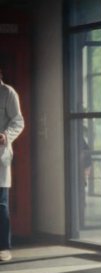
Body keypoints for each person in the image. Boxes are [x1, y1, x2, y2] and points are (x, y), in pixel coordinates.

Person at [0, 67, 25, 262]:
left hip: (0, 153)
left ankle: (3, 246)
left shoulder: (8, 93)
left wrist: (6, 135)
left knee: (1, 203)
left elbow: (18, 121)